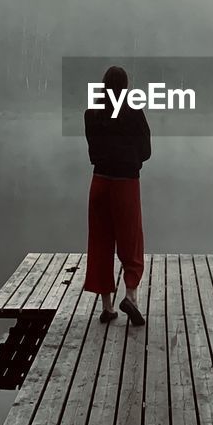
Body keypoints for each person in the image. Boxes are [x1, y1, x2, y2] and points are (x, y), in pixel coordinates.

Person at [83, 65, 151, 325]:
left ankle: (107, 306)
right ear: (125, 88)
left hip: (99, 182)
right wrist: (132, 159)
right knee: (131, 241)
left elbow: (92, 150)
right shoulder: (133, 113)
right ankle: (130, 296)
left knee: (100, 242)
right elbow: (146, 150)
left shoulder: (91, 114)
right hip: (126, 183)